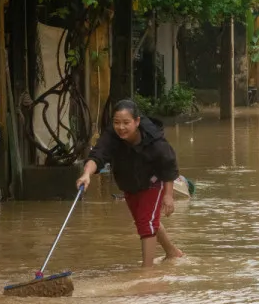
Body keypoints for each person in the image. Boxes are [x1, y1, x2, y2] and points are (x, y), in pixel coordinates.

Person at [77, 100, 185, 267]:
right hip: (130, 182)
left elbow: (168, 165)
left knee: (146, 223)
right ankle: (172, 252)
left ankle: (147, 271)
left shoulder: (155, 142)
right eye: (117, 123)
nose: (121, 127)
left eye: (126, 123)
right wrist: (86, 174)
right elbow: (97, 156)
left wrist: (168, 196)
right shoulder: (112, 136)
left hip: (154, 180)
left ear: (137, 121)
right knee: (147, 220)